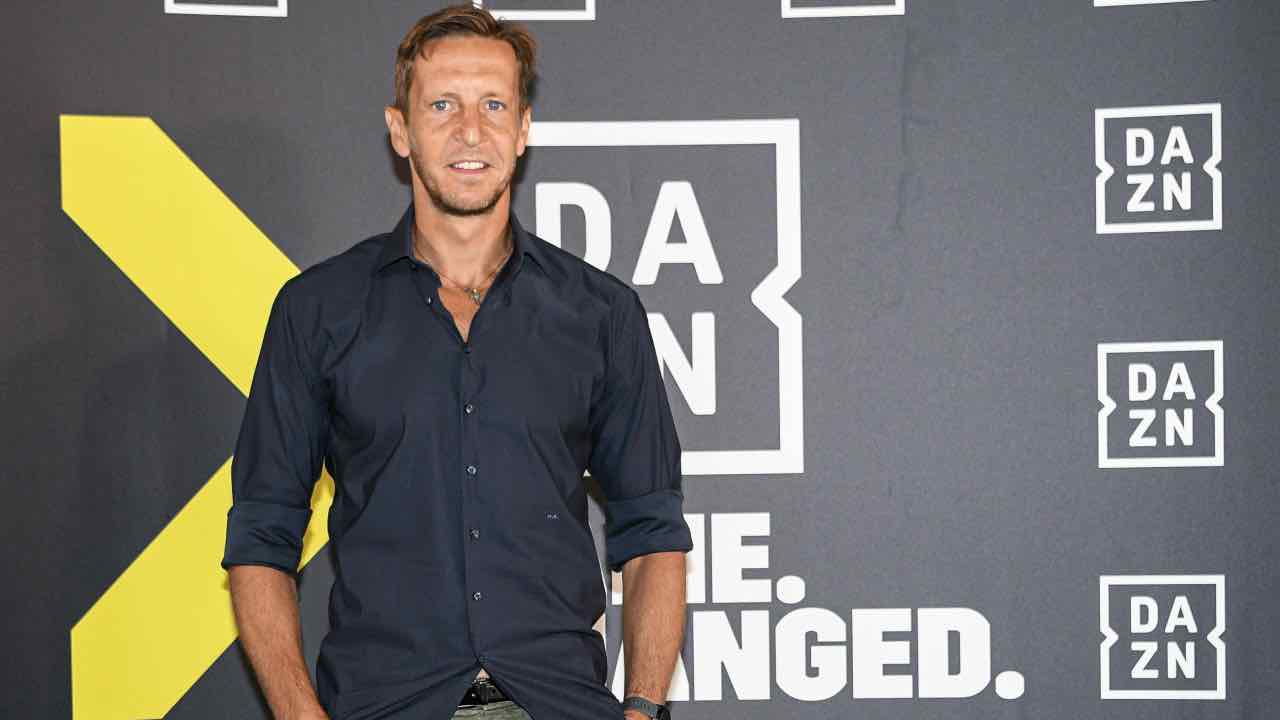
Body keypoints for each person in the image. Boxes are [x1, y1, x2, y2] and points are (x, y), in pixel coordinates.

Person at [220, 5, 691, 720]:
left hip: (557, 703)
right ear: (399, 130)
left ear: (523, 129)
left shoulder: (600, 314)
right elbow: (261, 533)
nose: (470, 130)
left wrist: (643, 709)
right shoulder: (318, 311)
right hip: (384, 703)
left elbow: (653, 531)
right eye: (442, 104)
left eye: (493, 105)